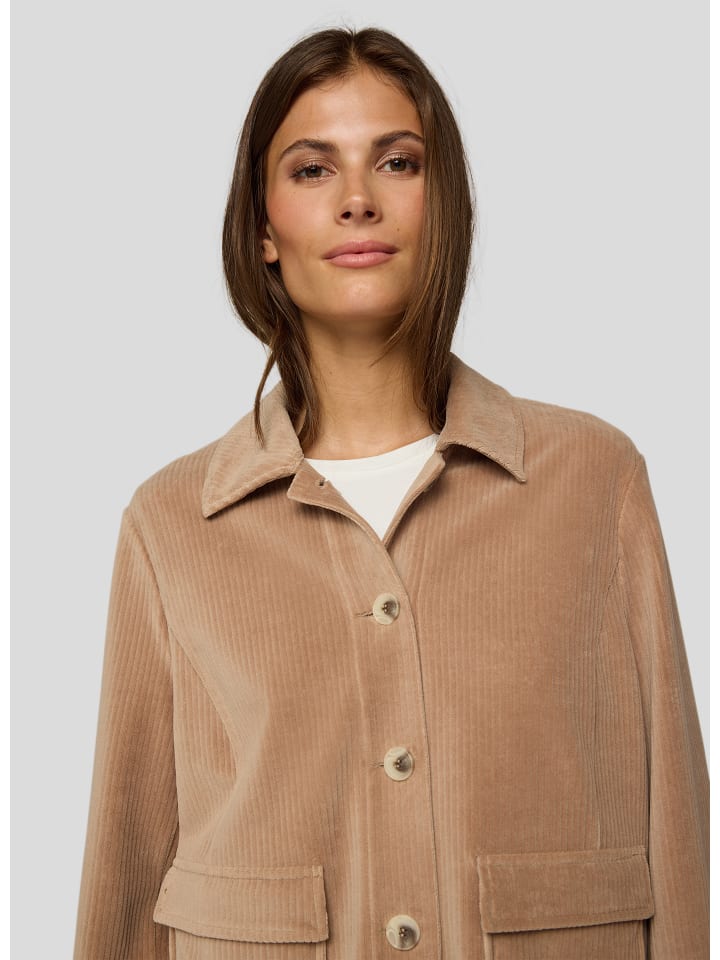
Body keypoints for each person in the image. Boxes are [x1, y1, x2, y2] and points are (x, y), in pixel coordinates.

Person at [73, 26, 709, 960]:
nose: (358, 199)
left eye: (398, 162)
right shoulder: (172, 523)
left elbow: (676, 828)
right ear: (262, 230)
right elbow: (128, 863)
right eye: (312, 170)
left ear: (443, 206)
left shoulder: (593, 481)